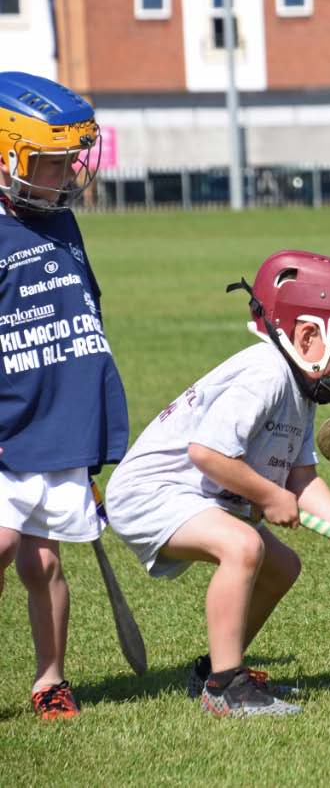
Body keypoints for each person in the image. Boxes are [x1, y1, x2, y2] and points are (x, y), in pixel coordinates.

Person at [106, 250, 330, 718]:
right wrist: (269, 495)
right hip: (148, 493)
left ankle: (212, 669)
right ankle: (226, 687)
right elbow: (207, 452)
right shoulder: (266, 374)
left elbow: (301, 478)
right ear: (308, 334)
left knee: (282, 566)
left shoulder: (301, 387)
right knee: (243, 547)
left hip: (192, 494)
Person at [0, 72, 127, 720]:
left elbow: (86, 321)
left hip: (53, 423)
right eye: (48, 165)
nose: (65, 177)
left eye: (66, 163)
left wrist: (88, 434)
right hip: (6, 420)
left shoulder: (60, 222)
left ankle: (51, 677)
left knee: (43, 562)